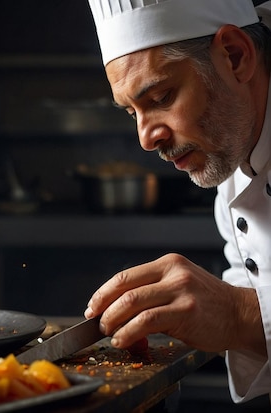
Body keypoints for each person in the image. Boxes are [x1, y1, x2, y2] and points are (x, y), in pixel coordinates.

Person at [84, 0, 271, 403]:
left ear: (235, 57)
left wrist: (237, 314)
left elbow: (246, 310)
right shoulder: (233, 146)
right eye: (131, 112)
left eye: (161, 97)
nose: (146, 138)